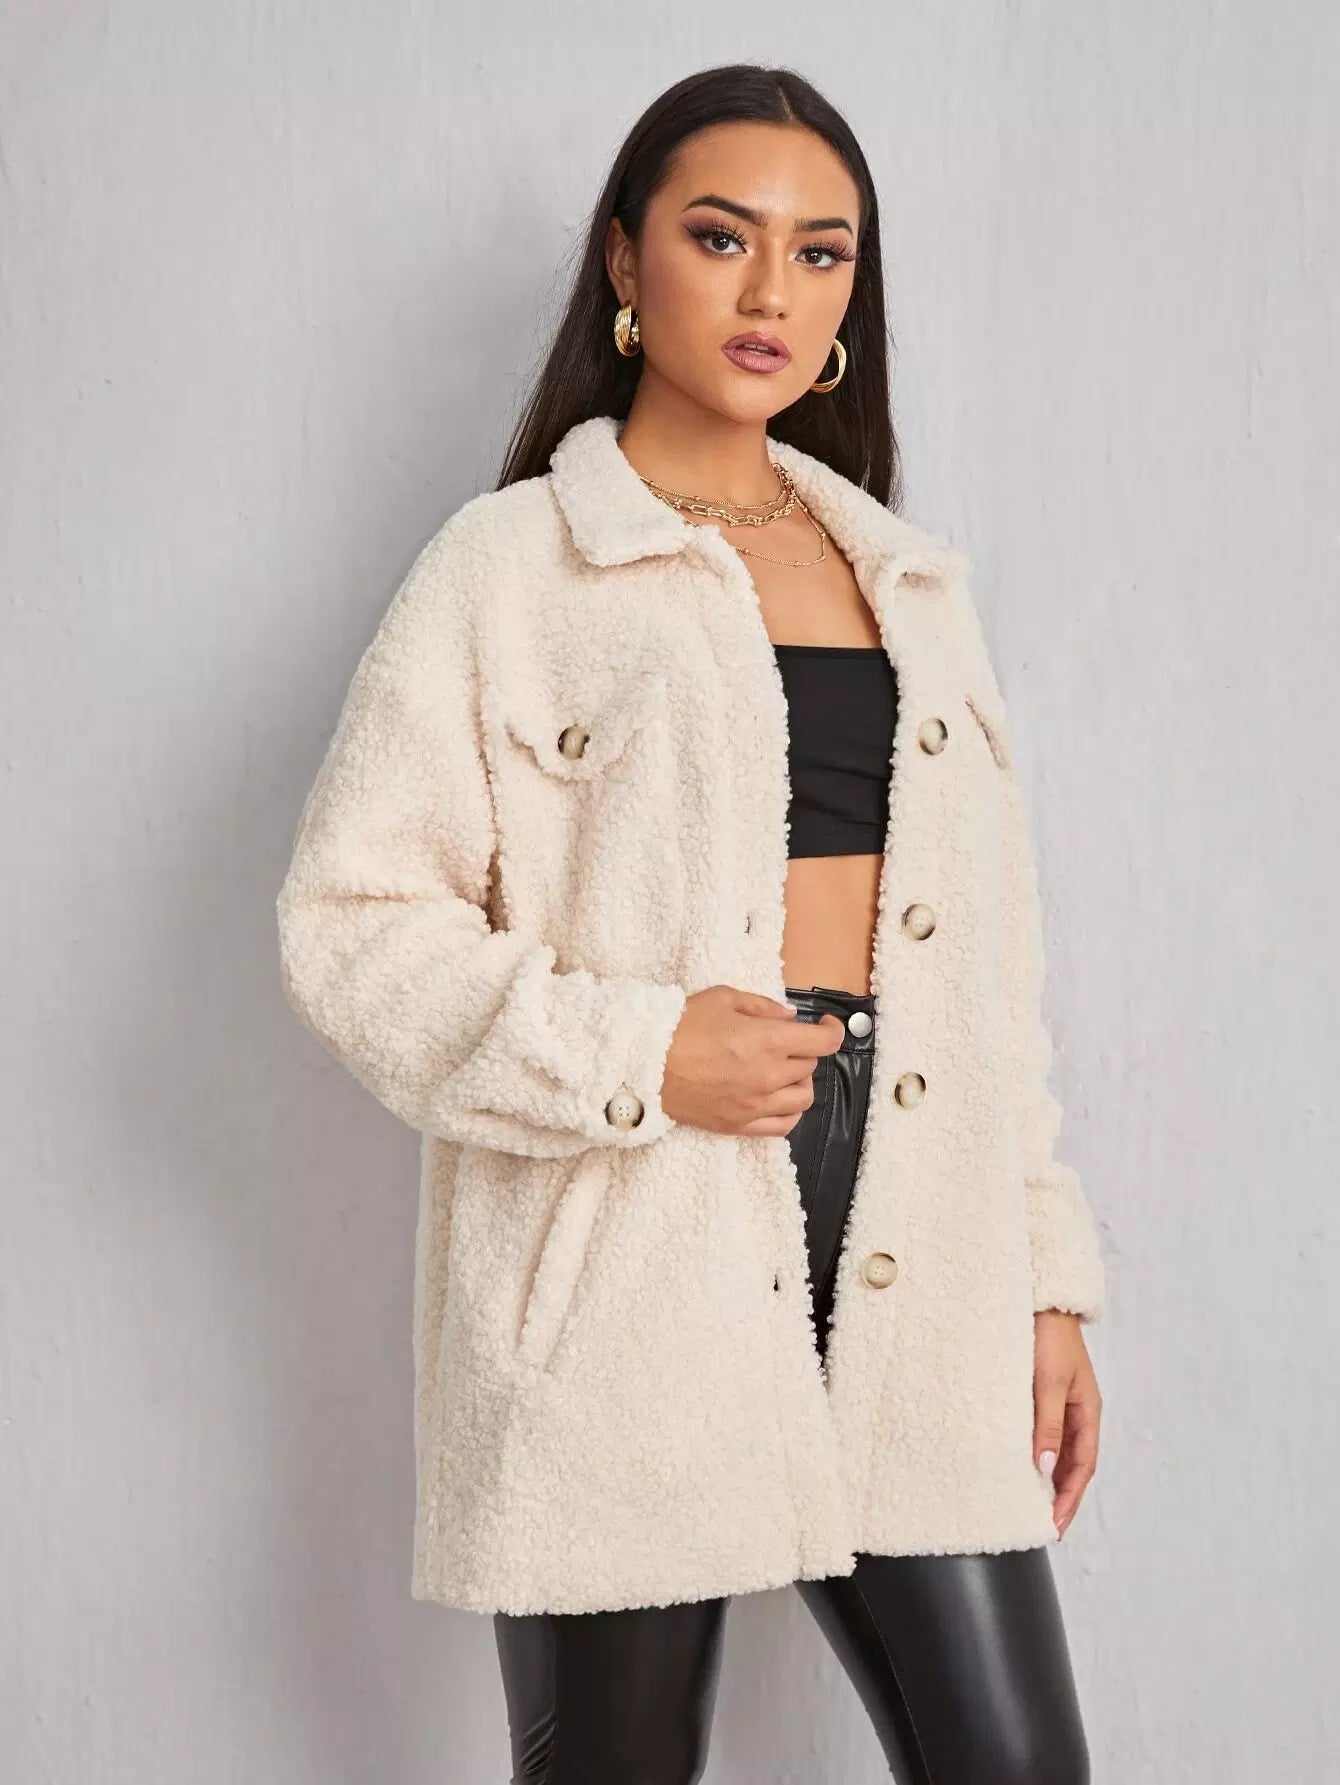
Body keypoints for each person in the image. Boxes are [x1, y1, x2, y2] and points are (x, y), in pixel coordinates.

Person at [277, 61, 1106, 1785]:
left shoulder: (913, 588)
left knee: (1017, 1763)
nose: (770, 290)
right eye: (722, 237)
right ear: (624, 261)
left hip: (919, 1234)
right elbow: (352, 925)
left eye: (821, 252)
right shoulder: (511, 569)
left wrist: (1046, 1283)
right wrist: (647, 1051)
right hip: (626, 1237)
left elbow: (992, 984)